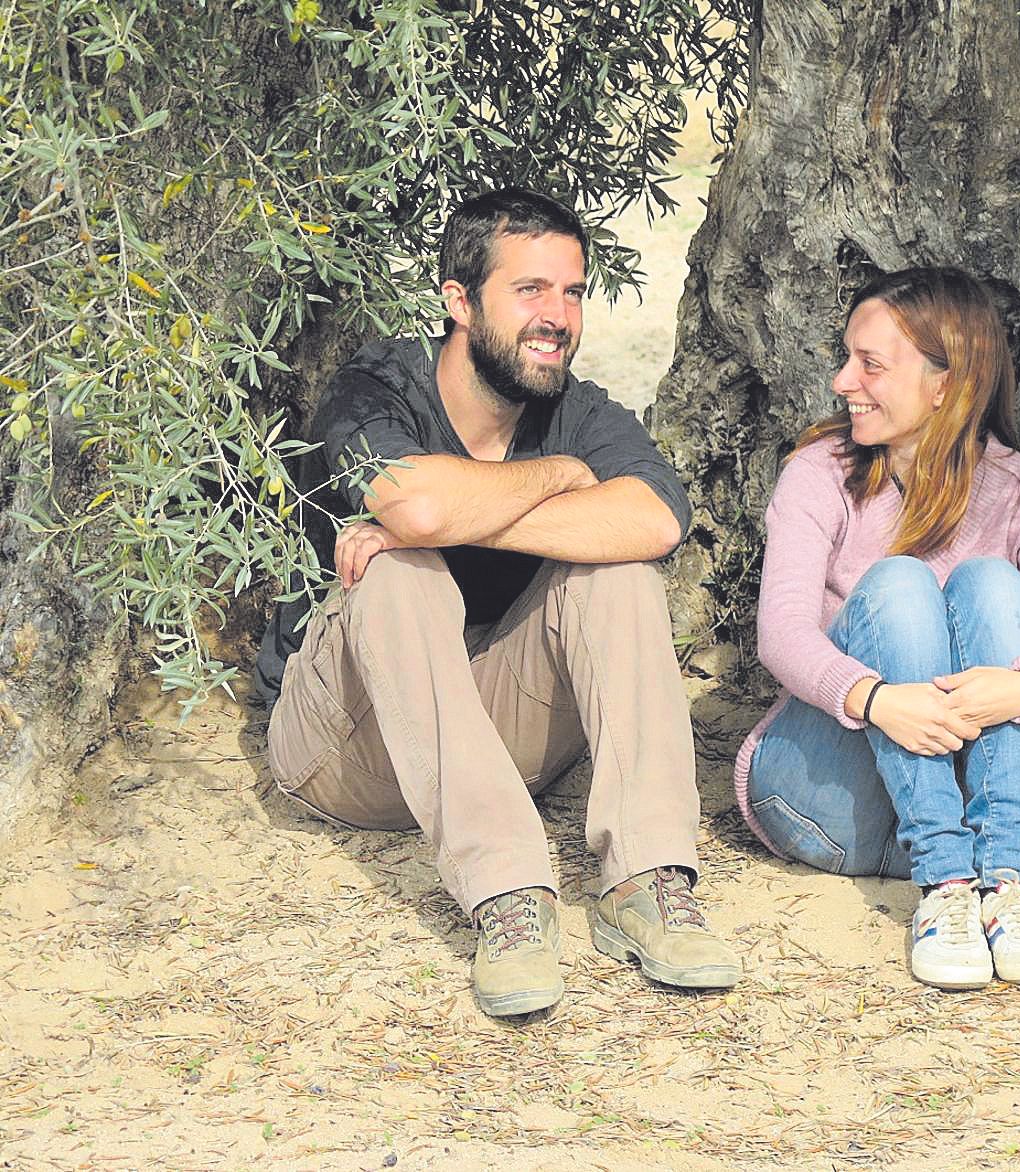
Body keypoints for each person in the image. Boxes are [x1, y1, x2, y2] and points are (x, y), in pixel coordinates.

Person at [255, 187, 741, 1017]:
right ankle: (510, 895)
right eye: (530, 291)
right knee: (396, 571)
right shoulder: (375, 390)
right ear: (458, 301)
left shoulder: (578, 410)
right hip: (347, 745)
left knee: (617, 570)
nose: (556, 316)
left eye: (572, 292)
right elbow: (417, 508)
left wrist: (455, 517)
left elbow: (656, 520)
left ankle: (646, 878)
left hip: (494, 735)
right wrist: (551, 483)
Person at [734, 267, 1020, 990]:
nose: (845, 382)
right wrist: (879, 700)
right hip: (823, 799)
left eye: (871, 364)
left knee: (992, 584)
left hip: (972, 810)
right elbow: (780, 634)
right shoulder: (821, 474)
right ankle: (944, 887)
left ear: (947, 382)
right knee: (902, 582)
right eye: (846, 358)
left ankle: (1003, 886)